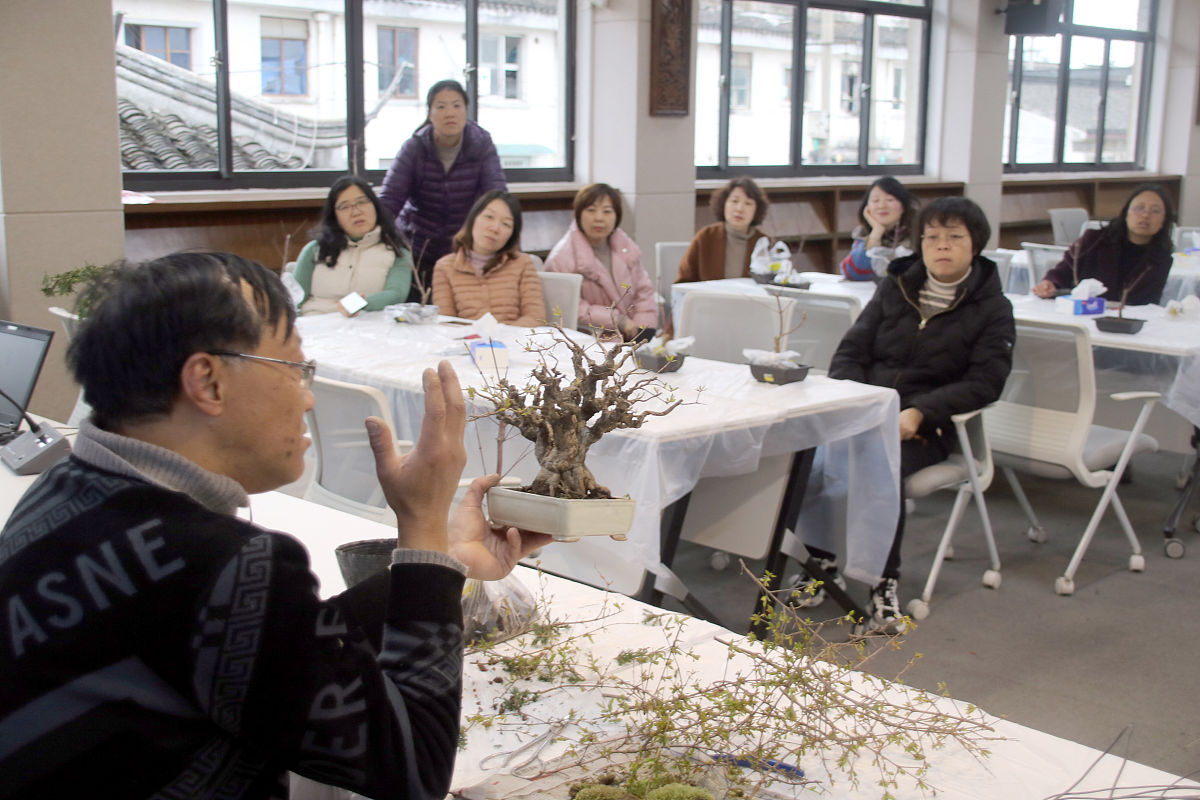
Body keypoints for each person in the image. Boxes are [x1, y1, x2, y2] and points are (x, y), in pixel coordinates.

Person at [0, 251, 551, 799]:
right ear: (208, 382)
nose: (308, 396)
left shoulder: (60, 489)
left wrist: (442, 560)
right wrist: (424, 524)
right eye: (296, 369)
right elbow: (412, 770)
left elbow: (270, 646)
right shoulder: (225, 561)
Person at [795, 197, 1015, 633]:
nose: (942, 246)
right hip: (864, 415)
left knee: (881, 464)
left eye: (955, 237)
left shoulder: (993, 308)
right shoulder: (896, 286)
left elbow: (985, 382)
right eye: (932, 237)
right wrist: (854, 401)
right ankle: (819, 560)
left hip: (927, 428)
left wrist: (920, 413)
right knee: (805, 457)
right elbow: (851, 352)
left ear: (977, 245)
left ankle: (882, 580)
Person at [379, 80, 507, 302]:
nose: (450, 113)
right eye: (441, 106)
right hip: (418, 248)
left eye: (457, 105)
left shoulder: (481, 145)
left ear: (466, 111)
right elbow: (390, 200)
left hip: (464, 250)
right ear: (430, 113)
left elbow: (497, 197)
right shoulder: (415, 147)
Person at [544, 183, 657, 340]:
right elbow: (571, 307)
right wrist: (619, 321)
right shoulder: (560, 258)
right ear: (578, 214)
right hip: (590, 340)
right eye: (591, 210)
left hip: (632, 336)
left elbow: (643, 291)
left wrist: (644, 327)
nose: (599, 218)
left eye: (607, 211)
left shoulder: (627, 248)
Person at [1033, 183, 1175, 306]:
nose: (1145, 215)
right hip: (1081, 314)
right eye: (1139, 208)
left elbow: (1145, 303)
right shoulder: (1094, 240)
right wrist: (1051, 284)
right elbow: (1062, 272)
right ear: (1126, 213)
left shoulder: (1161, 258)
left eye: (1155, 211)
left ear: (1164, 220)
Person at [293, 175, 413, 315]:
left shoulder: (397, 251)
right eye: (344, 207)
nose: (356, 212)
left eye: (362, 202)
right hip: (316, 324)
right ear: (334, 216)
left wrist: (358, 303)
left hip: (368, 327)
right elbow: (294, 301)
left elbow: (396, 294)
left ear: (375, 206)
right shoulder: (314, 250)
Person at [432, 190, 545, 327]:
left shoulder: (523, 263)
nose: (495, 228)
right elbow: (446, 322)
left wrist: (502, 336)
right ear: (473, 218)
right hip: (466, 345)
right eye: (489, 217)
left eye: (506, 224)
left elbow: (535, 317)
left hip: (515, 343)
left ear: (512, 234)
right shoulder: (445, 267)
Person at [675, 177, 771, 283]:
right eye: (734, 201)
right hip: (708, 299)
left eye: (748, 203)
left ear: (757, 210)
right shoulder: (705, 237)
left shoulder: (765, 243)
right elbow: (683, 282)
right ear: (724, 203)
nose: (740, 208)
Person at [839, 177, 919, 281]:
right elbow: (853, 273)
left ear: (903, 205)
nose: (882, 206)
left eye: (890, 200)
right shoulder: (864, 233)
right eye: (875, 201)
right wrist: (876, 233)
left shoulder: (918, 232)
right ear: (867, 208)